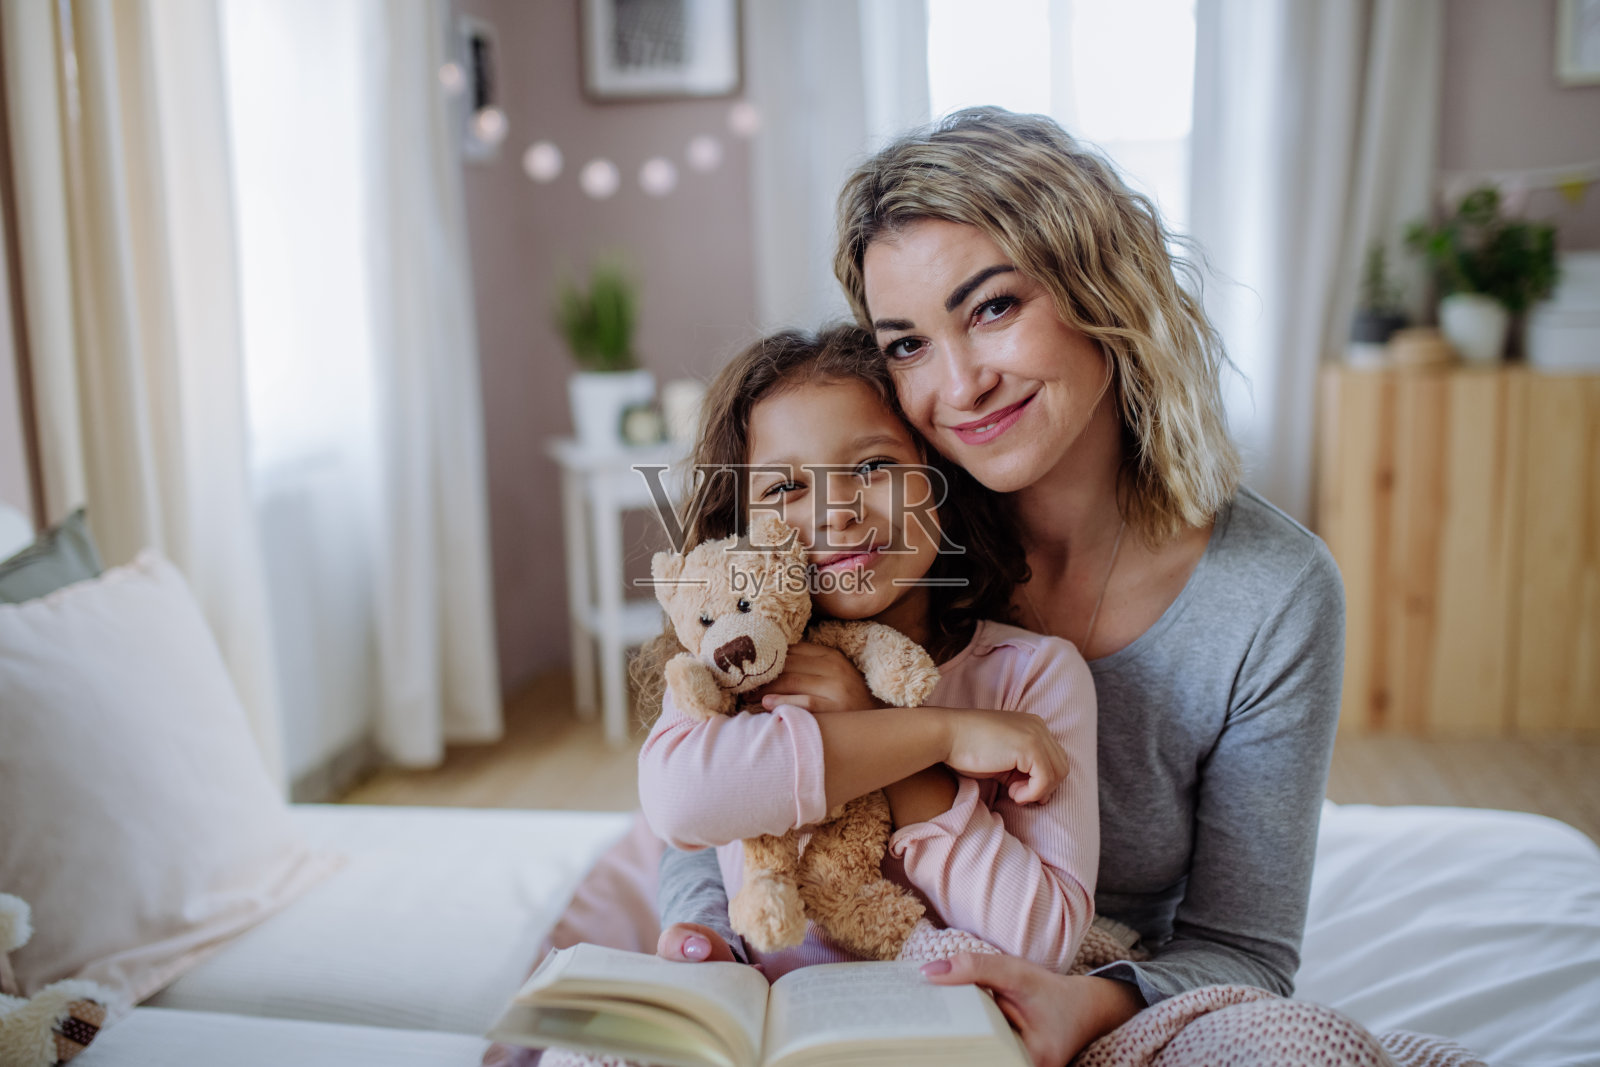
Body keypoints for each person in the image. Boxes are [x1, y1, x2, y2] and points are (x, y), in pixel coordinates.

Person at [659, 106, 1348, 1064]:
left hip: (1107, 986)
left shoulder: (1272, 594)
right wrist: (704, 938)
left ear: (1105, 291)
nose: (961, 384)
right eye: (906, 343)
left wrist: (1091, 1008)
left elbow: (1244, 949)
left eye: (993, 308)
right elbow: (711, 797)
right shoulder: (861, 551)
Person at [636, 324, 1101, 980]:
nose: (839, 513)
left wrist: (890, 749)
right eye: (785, 488)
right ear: (738, 527)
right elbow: (679, 804)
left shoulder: (1033, 678)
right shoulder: (732, 667)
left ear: (937, 479)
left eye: (874, 467)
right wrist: (941, 734)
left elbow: (1043, 938)